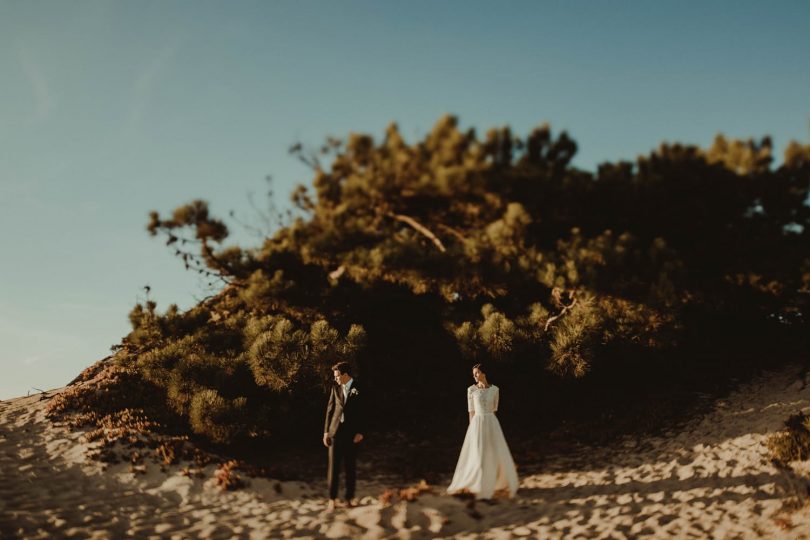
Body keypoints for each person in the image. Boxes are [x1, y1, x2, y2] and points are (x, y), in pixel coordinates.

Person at [447, 363, 519, 499]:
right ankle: (479, 484)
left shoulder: (495, 390)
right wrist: (471, 431)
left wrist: (494, 427)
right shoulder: (471, 390)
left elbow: (494, 410)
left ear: (484, 373)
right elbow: (471, 412)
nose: (474, 376)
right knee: (479, 452)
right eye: (473, 374)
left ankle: (494, 482)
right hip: (477, 424)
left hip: (492, 423)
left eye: (477, 373)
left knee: (493, 451)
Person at [323, 361, 365, 512]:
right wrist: (326, 432)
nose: (335, 379)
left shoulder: (359, 388)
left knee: (350, 468)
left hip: (352, 435)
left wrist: (361, 432)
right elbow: (330, 409)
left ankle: (349, 499)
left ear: (345, 375)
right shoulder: (335, 387)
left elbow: (365, 412)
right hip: (335, 433)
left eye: (337, 376)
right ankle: (332, 500)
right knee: (333, 469)